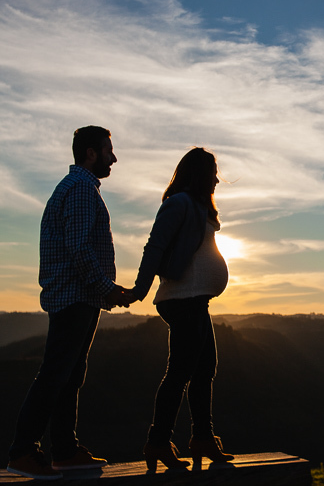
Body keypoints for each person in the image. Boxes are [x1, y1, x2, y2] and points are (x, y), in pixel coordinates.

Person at [7, 126, 134, 480]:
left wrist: (105, 288)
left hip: (79, 295)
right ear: (91, 154)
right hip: (75, 296)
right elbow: (79, 249)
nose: (114, 158)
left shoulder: (77, 188)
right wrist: (105, 288)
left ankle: (64, 450)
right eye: (109, 150)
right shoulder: (80, 189)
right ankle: (22, 451)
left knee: (69, 375)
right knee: (55, 374)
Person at [131, 147, 232, 472]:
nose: (217, 178)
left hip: (195, 300)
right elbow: (155, 245)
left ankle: (201, 437)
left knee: (204, 371)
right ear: (201, 173)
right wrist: (139, 290)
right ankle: (158, 442)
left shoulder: (199, 206)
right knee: (180, 373)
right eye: (213, 172)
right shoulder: (178, 204)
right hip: (181, 299)